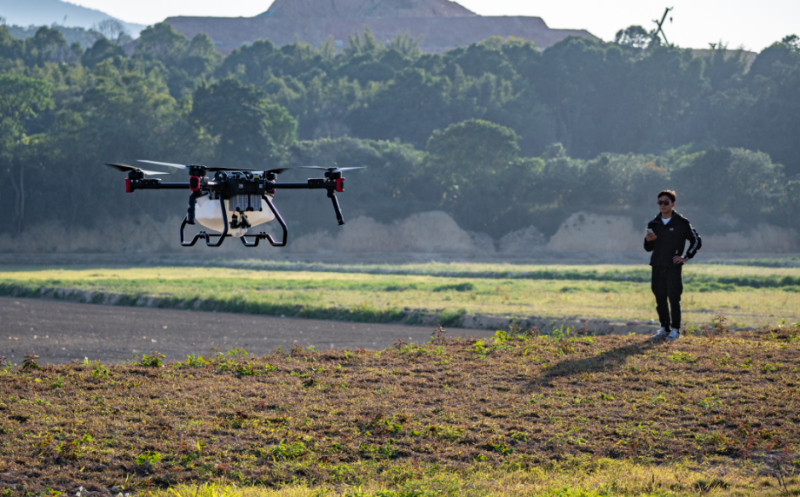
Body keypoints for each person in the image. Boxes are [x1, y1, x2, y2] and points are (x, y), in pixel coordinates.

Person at [644, 190, 701, 341]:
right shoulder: (653, 223)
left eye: (666, 203)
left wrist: (686, 257)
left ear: (673, 204)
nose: (662, 205)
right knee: (660, 298)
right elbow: (648, 248)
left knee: (674, 298)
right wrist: (649, 240)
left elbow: (696, 241)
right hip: (657, 265)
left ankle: (675, 330)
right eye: (660, 202)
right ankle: (664, 328)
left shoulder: (682, 222)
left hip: (673, 267)